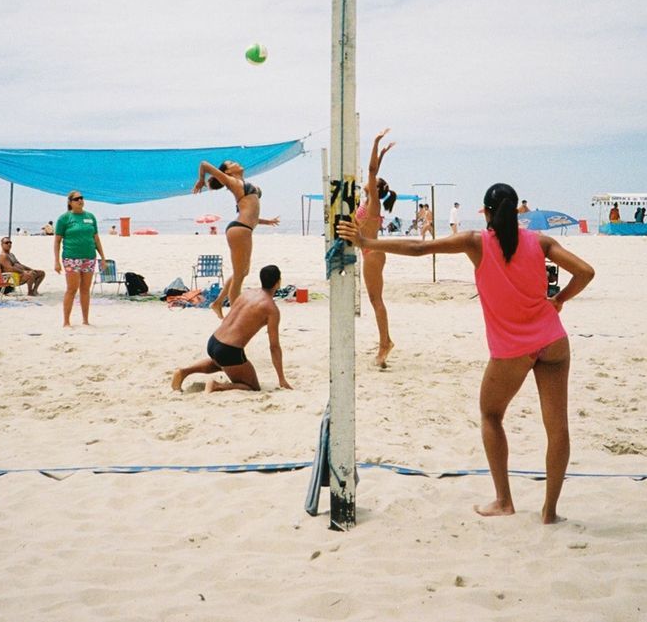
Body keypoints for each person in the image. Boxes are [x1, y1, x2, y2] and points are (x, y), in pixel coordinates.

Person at [338, 182, 594, 523]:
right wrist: (560, 299)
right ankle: (550, 512)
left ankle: (504, 501)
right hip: (553, 342)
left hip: (512, 350)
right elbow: (586, 271)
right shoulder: (541, 242)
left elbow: (418, 248)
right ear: (518, 211)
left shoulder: (476, 242)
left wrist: (366, 242)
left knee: (491, 415)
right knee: (557, 428)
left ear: (486, 213)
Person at [170, 264, 291, 393]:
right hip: (229, 350)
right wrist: (281, 378)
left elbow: (233, 283)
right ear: (278, 283)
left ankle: (183, 372)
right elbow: (274, 347)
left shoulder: (248, 293)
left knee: (221, 363)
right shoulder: (271, 309)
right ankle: (216, 386)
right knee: (253, 387)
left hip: (213, 342)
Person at [195, 159, 280, 318]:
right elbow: (204, 164)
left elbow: (249, 212)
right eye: (231, 163)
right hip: (239, 230)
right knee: (240, 275)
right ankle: (235, 316)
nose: (236, 163)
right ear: (227, 172)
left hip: (244, 229)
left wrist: (266, 221)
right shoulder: (232, 181)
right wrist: (201, 180)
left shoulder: (241, 183)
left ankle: (218, 303)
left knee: (241, 272)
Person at [356, 128, 399, 368]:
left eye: (373, 183)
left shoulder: (372, 202)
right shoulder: (369, 201)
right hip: (372, 252)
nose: (369, 180)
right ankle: (385, 341)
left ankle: (385, 343)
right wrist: (381, 153)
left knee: (376, 301)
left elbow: (372, 172)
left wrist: (374, 142)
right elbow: (375, 172)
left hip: (372, 253)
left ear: (376, 188)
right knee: (376, 300)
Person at [53, 191, 106, 327]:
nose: (80, 200)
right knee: (72, 288)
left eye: (82, 198)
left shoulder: (90, 217)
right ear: (70, 202)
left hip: (89, 257)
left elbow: (96, 238)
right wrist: (56, 261)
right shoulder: (64, 219)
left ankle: (85, 320)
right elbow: (57, 241)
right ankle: (66, 321)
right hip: (71, 257)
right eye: (77, 199)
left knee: (85, 289)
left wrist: (103, 257)